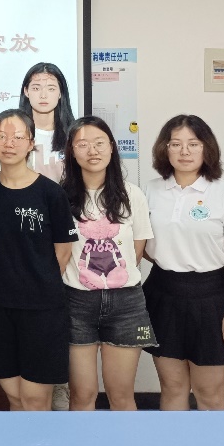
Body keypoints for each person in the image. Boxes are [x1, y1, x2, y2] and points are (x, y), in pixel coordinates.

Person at [143, 114, 224, 411]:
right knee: (172, 388)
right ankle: (175, 444)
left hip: (210, 296)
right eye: (176, 144)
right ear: (165, 149)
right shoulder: (151, 190)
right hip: (162, 293)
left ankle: (215, 444)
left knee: (210, 393)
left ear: (207, 148)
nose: (185, 151)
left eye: (193, 144)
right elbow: (143, 245)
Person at [0, 109, 76, 413]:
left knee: (35, 399)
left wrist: (35, 283)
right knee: (14, 396)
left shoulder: (51, 193)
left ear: (31, 143)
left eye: (18, 137)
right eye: (1, 136)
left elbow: (63, 253)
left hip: (42, 308)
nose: (9, 143)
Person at [60, 116, 157, 411]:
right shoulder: (59, 196)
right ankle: (85, 445)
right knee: (82, 395)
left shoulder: (132, 195)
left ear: (112, 147)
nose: (92, 150)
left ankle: (126, 444)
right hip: (76, 302)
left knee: (121, 396)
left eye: (99, 143)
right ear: (71, 152)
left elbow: (136, 252)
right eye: (83, 144)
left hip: (126, 303)